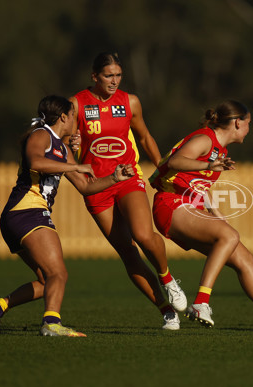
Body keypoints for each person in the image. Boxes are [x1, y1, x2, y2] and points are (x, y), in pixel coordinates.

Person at [150, 100, 253, 337]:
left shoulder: (221, 150)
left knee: (244, 258)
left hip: (188, 204)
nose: (249, 129)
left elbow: (199, 186)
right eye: (248, 124)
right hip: (171, 203)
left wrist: (218, 215)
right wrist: (209, 164)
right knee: (229, 236)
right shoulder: (206, 139)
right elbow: (175, 162)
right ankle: (201, 303)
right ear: (238, 122)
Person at [0, 95, 135, 336]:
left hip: (21, 216)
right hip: (27, 211)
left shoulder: (61, 146)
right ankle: (51, 324)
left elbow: (84, 186)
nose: (76, 121)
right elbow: (36, 162)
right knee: (58, 274)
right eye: (73, 116)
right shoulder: (41, 134)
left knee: (47, 282)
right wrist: (75, 165)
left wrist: (114, 178)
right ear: (63, 117)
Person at [68, 52, 186, 330]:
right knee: (127, 252)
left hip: (127, 177)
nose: (114, 81)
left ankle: (168, 278)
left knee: (144, 235)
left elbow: (144, 136)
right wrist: (74, 148)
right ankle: (166, 309)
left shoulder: (129, 101)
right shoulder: (77, 103)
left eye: (118, 75)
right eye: (108, 75)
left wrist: (161, 167)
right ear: (94, 76)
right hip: (97, 186)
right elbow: (66, 143)